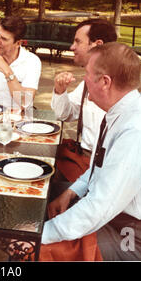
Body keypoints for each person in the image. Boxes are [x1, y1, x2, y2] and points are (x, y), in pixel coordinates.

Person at [42, 42, 141, 261]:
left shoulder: (137, 130)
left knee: (38, 250)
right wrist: (71, 193)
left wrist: (42, 235)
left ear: (105, 82)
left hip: (133, 235)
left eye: (87, 73)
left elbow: (100, 206)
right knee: (45, 191)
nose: (84, 79)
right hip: (116, 215)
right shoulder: (123, 108)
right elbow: (100, 166)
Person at [51, 19, 117, 183]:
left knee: (46, 178)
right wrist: (60, 90)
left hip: (102, 170)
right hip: (82, 157)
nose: (72, 47)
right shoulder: (87, 83)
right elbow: (65, 114)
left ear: (97, 45)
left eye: (78, 41)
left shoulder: (117, 87)